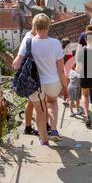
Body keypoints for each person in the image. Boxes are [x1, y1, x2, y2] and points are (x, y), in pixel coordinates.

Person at [13, 14, 68, 145]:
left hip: (34, 84)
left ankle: (43, 140)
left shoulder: (29, 42)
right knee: (52, 102)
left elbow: (16, 64)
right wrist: (65, 87)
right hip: (53, 82)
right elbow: (61, 69)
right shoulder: (55, 43)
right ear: (49, 26)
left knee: (39, 111)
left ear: (34, 26)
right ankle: (54, 130)